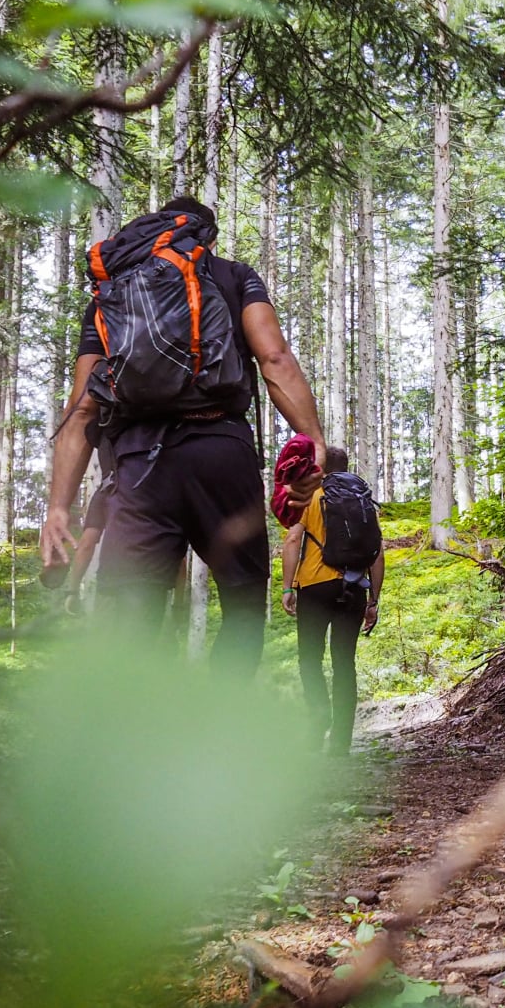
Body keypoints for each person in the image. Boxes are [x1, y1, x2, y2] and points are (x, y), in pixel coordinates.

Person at [40, 196, 327, 678]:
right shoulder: (233, 275)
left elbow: (82, 406)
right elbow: (274, 360)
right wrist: (312, 441)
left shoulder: (112, 293)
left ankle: (134, 737)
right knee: (241, 601)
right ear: (208, 238)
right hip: (221, 452)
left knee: (131, 611)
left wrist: (58, 506)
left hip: (137, 467)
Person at [282, 446, 384, 755]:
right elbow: (377, 555)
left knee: (309, 658)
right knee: (344, 664)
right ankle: (341, 742)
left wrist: (288, 587)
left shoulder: (310, 496)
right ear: (347, 466)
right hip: (354, 587)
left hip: (314, 587)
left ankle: (319, 715)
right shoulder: (364, 502)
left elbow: (292, 540)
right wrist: (373, 600)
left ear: (321, 467)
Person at [62, 477, 115, 614]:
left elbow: (87, 544)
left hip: (112, 582)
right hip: (156, 580)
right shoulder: (167, 483)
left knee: (108, 634)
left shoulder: (107, 489)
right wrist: (178, 605)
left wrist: (72, 591)